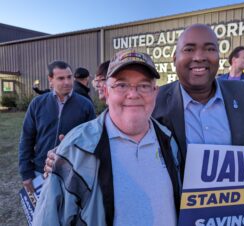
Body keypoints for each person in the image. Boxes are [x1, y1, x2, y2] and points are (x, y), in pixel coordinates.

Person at [33, 50, 181, 226]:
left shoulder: (169, 140)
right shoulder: (75, 149)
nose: (133, 94)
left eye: (144, 85)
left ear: (155, 92)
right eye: (121, 85)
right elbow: (48, 219)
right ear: (106, 91)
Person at [152, 24, 244, 176]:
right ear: (174, 59)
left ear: (219, 57)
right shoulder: (155, 100)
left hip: (235, 198)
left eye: (210, 49)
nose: (199, 57)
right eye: (189, 49)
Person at [19, 60, 96, 193]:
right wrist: (26, 172)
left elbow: (93, 141)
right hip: (41, 171)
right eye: (61, 78)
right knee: (43, 213)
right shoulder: (37, 104)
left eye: (69, 77)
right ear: (51, 80)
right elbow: (26, 138)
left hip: (73, 172)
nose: (67, 82)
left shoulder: (85, 105)